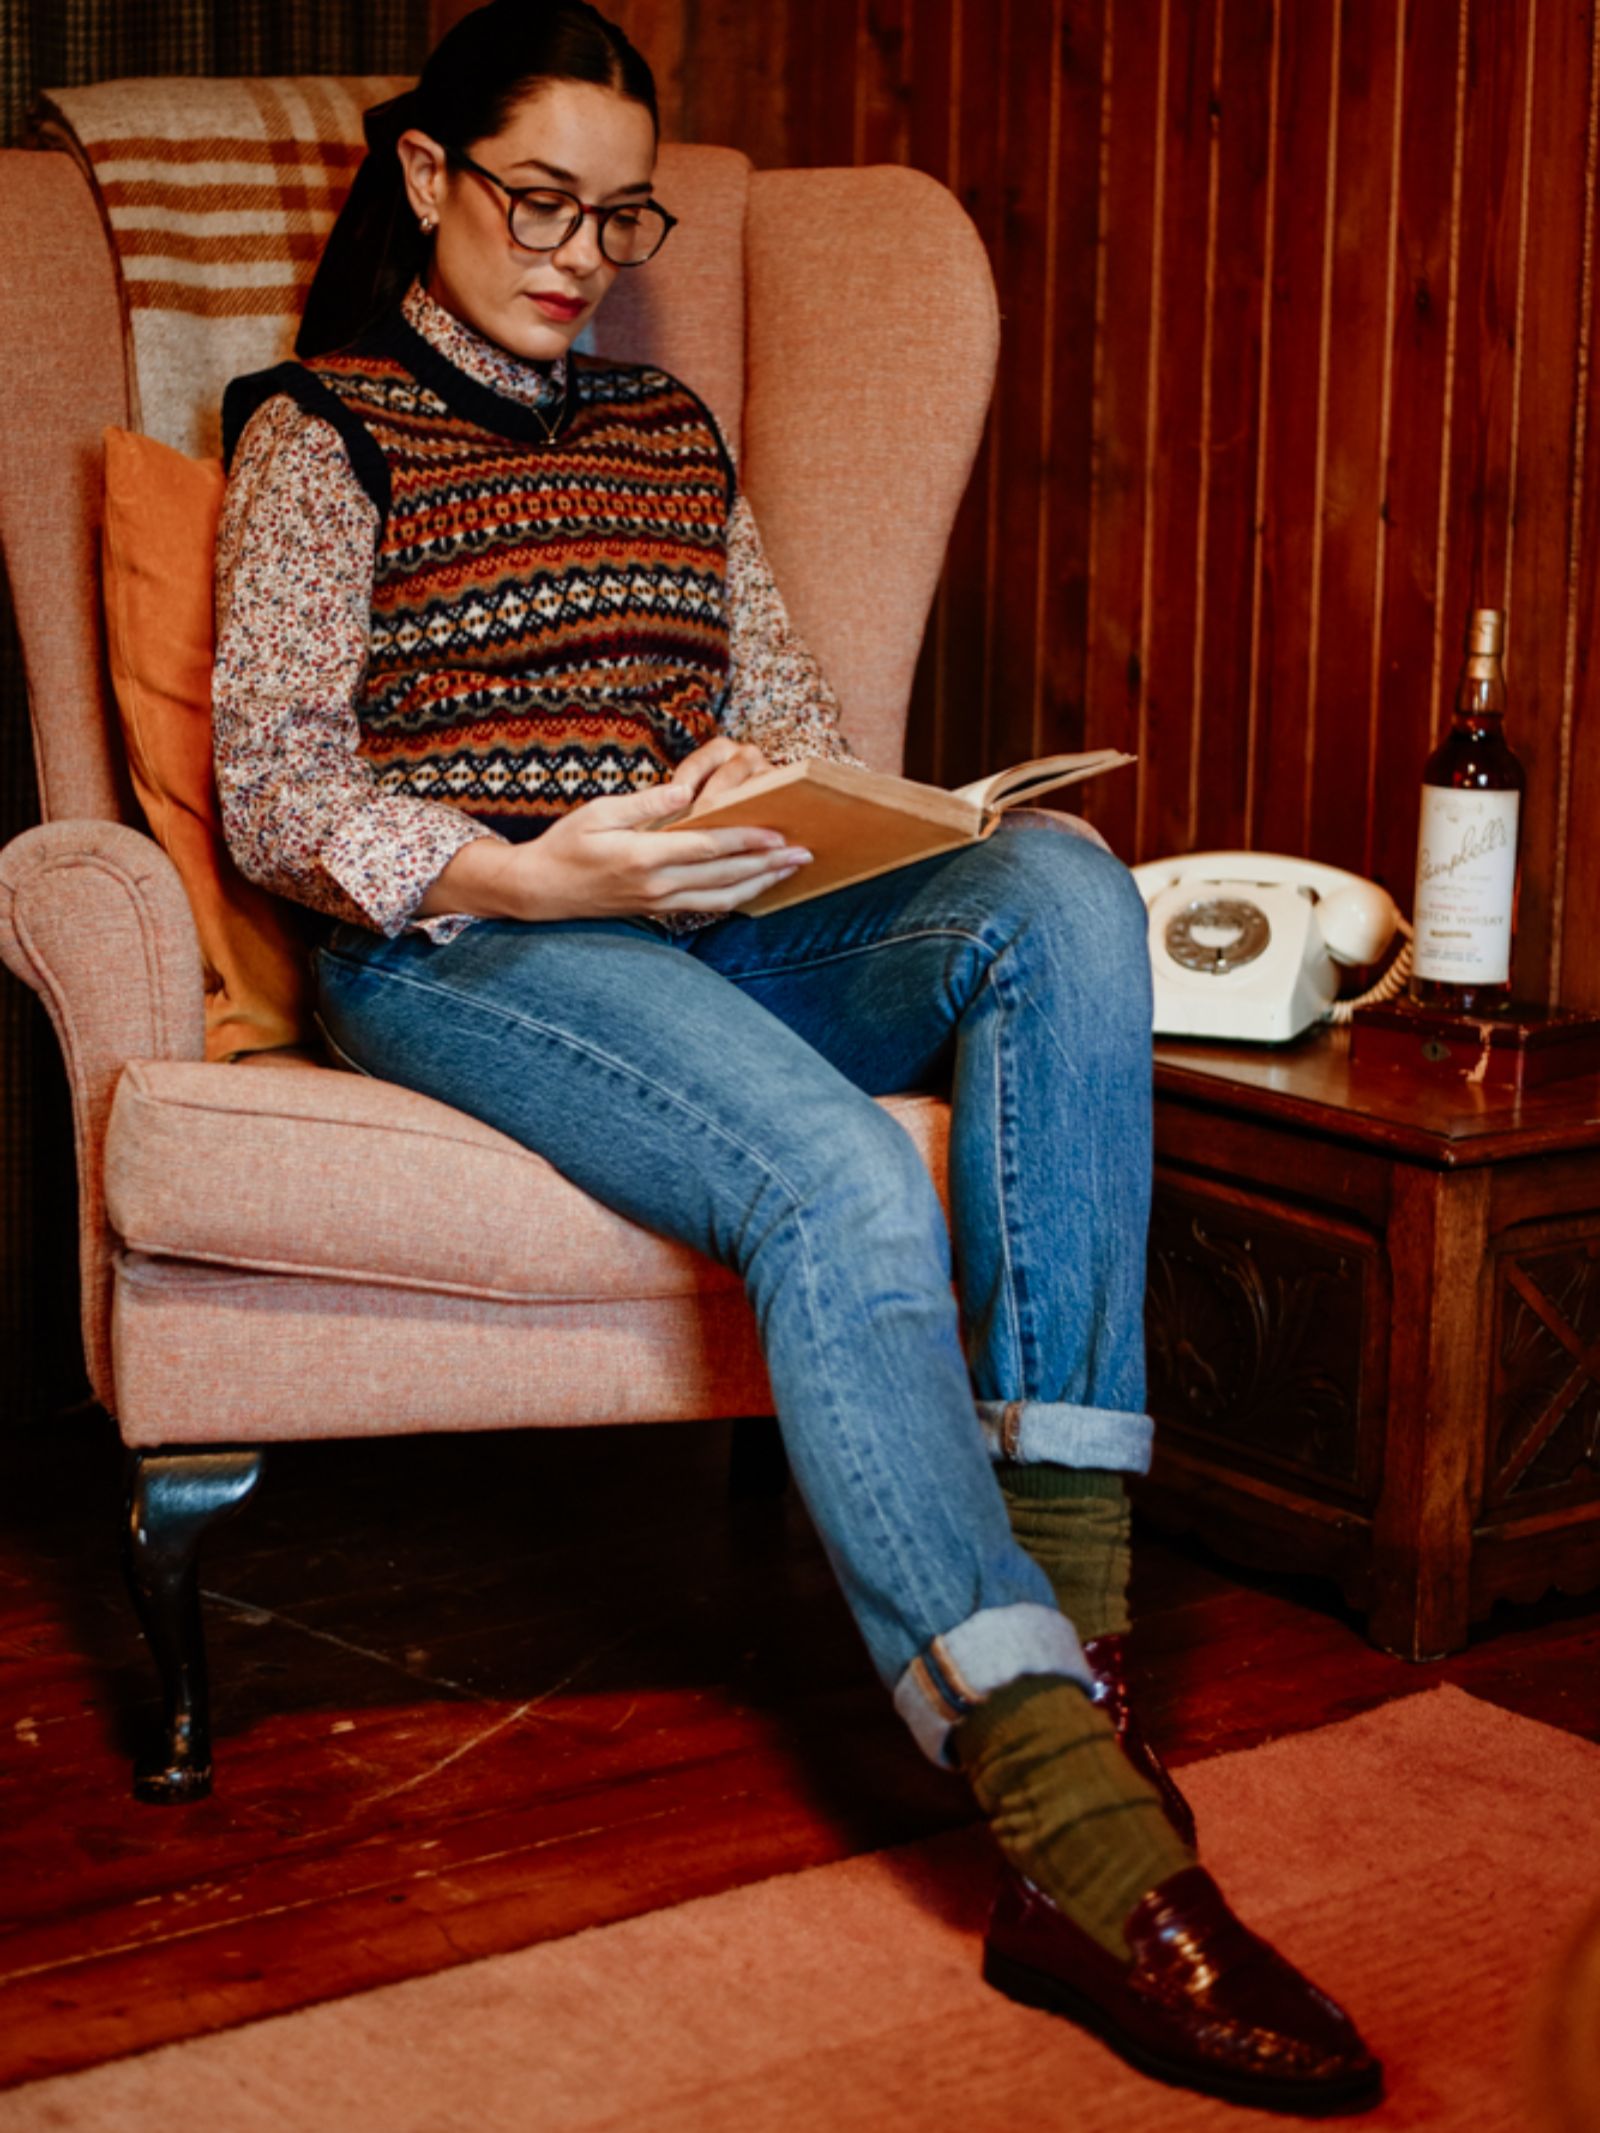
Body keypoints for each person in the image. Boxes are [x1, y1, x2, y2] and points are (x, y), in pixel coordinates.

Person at [212, 2, 1381, 2111]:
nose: (577, 250)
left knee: (1059, 886)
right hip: (474, 944)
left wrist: (780, 769)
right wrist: (538, 871)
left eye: (613, 211)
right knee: (837, 1175)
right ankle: (1081, 1832)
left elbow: (794, 704)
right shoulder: (323, 429)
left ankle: (1079, 1652)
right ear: (422, 179)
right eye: (535, 199)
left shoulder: (667, 428)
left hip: (715, 907)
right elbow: (272, 789)